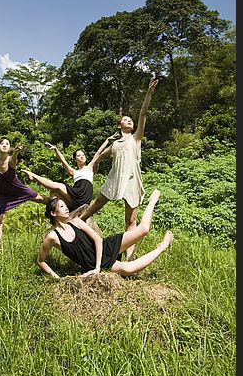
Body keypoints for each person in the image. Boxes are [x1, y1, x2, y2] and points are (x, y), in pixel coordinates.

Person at [80, 77, 159, 260]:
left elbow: (143, 114)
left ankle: (128, 256)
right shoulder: (115, 144)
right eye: (125, 119)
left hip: (132, 179)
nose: (129, 120)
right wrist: (96, 162)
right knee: (97, 204)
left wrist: (148, 93)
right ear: (119, 125)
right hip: (115, 178)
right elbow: (102, 154)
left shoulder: (136, 138)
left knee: (130, 220)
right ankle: (77, 222)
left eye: (130, 120)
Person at [37, 188, 173, 279]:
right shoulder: (52, 237)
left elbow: (97, 239)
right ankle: (162, 247)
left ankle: (152, 201)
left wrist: (97, 268)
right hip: (98, 264)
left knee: (144, 229)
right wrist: (57, 278)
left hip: (105, 248)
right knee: (129, 269)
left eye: (65, 205)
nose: (66, 208)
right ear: (53, 213)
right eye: (61, 206)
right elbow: (41, 261)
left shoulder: (76, 222)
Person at [0, 136, 50, 252]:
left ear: (10, 148)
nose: (5, 145)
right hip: (2, 192)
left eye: (7, 144)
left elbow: (14, 159)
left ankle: (57, 203)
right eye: (2, 144)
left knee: (39, 198)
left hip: (17, 188)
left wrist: (16, 151)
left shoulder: (11, 159)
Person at [22, 138, 115, 213]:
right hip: (74, 197)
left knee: (59, 186)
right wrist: (56, 149)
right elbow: (63, 161)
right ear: (75, 159)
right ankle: (53, 212)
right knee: (53, 194)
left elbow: (98, 152)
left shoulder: (89, 167)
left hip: (83, 194)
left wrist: (107, 140)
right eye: (79, 156)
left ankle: (34, 176)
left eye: (83, 155)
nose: (82, 156)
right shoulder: (73, 172)